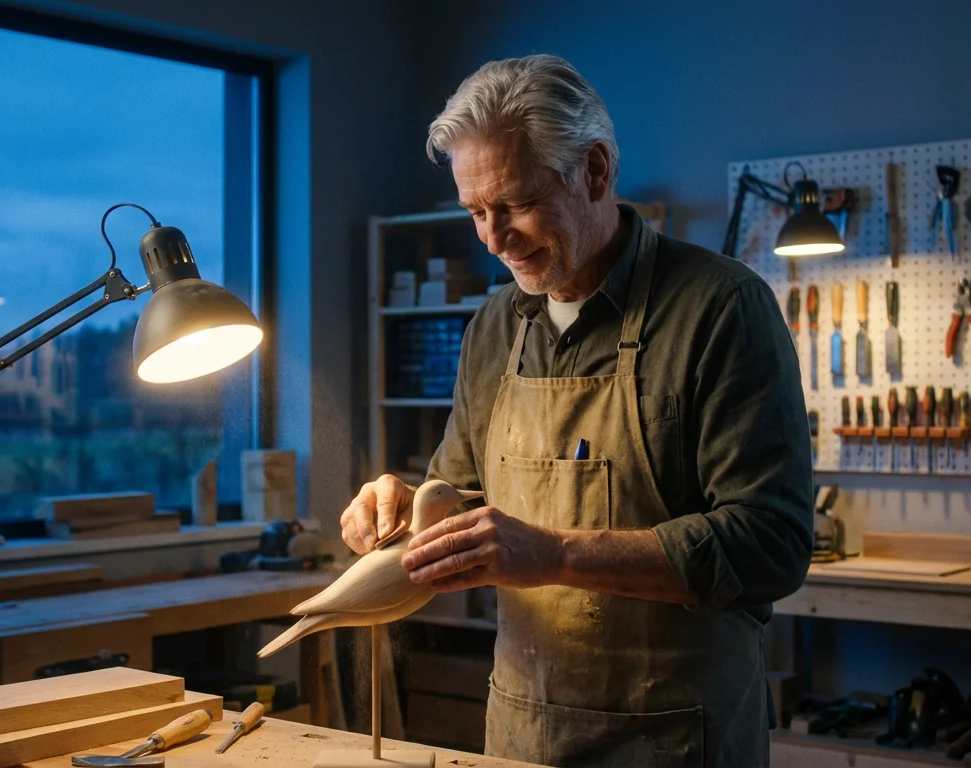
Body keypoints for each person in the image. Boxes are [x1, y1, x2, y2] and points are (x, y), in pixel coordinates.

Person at [340, 54, 813, 767]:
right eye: (475, 212)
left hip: (677, 735)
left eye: (517, 203)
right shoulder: (497, 325)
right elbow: (461, 491)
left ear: (594, 171)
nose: (494, 239)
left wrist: (557, 553)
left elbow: (770, 545)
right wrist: (405, 506)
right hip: (525, 732)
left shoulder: (721, 309)